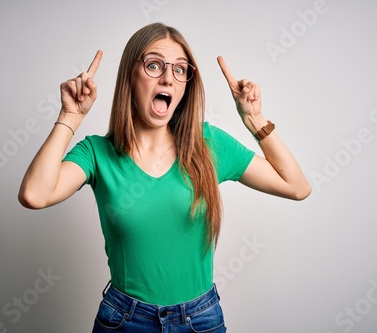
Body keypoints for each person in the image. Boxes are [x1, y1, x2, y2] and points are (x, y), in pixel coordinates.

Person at [18, 22, 311, 333]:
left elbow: (296, 186)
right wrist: (70, 117)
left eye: (180, 70)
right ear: (130, 75)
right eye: (154, 65)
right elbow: (35, 195)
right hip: (125, 321)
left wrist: (254, 119)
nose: (168, 79)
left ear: (186, 84)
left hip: (200, 320)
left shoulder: (209, 145)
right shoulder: (97, 153)